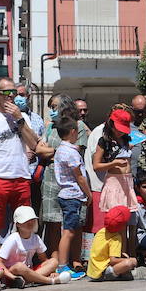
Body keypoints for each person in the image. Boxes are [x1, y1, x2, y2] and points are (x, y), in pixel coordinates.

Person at [0, 78, 52, 253]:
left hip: (22, 178)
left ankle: (22, 259)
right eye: (7, 93)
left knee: (25, 223)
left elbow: (34, 144)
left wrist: (19, 119)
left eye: (14, 93)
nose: (12, 97)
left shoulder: (22, 117)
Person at [52, 113, 89, 280]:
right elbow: (79, 176)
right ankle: (62, 266)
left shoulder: (61, 149)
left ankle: (64, 264)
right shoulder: (71, 152)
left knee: (70, 230)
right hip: (72, 196)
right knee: (68, 232)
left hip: (67, 195)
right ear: (73, 131)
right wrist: (88, 194)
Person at [0, 205, 68, 287]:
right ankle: (49, 281)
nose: (30, 222)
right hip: (13, 272)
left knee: (54, 261)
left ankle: (29, 279)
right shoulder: (13, 239)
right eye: (26, 221)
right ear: (18, 224)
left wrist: (52, 271)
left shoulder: (35, 238)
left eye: (32, 220)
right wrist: (12, 277)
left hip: (29, 270)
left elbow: (44, 259)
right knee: (20, 266)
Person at [93, 108, 137, 245]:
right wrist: (113, 163)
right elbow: (96, 165)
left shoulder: (126, 140)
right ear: (111, 124)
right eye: (119, 128)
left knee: (125, 219)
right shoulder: (103, 141)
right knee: (116, 219)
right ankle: (115, 252)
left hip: (127, 182)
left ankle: (125, 251)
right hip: (114, 183)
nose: (121, 132)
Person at [87, 204, 141, 282]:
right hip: (101, 272)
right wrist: (130, 260)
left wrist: (122, 255)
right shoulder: (115, 238)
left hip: (93, 270)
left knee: (125, 259)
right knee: (129, 262)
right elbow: (113, 260)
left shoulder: (101, 232)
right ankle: (112, 274)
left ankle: (124, 272)